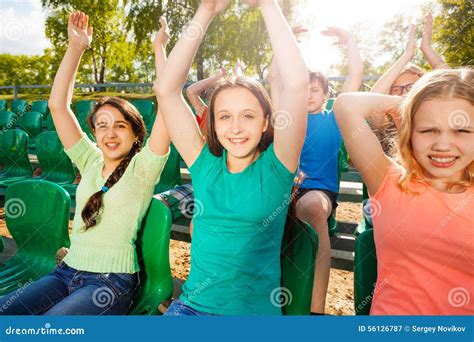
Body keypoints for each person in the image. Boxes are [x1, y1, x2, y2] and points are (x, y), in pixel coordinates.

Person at [0, 11, 170, 315]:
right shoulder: (89, 159)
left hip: (109, 283)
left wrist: (160, 50)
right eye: (102, 125)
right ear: (94, 132)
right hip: (65, 272)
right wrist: (76, 48)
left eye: (120, 125)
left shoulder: (144, 167)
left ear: (135, 133)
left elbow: (168, 100)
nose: (111, 133)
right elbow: (57, 106)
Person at [155, 0, 308, 315]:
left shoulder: (277, 168)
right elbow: (167, 89)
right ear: (212, 123)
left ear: (266, 122)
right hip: (190, 310)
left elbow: (296, 84)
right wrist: (206, 11)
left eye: (248, 116)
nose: (236, 128)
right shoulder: (204, 166)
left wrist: (267, 5)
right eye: (224, 117)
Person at [334, 68, 473, 315]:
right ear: (409, 132)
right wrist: (409, 104)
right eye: (427, 130)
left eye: (461, 130)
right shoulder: (390, 181)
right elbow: (347, 106)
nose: (442, 145)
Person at [269, 25, 363, 314]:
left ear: (325, 93)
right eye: (304, 89)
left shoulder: (335, 116)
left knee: (310, 206)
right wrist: (286, 37)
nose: (308, 95)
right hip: (285, 189)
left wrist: (350, 40)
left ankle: (315, 309)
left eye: (315, 90)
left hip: (319, 192)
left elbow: (355, 77)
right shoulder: (286, 116)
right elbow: (274, 77)